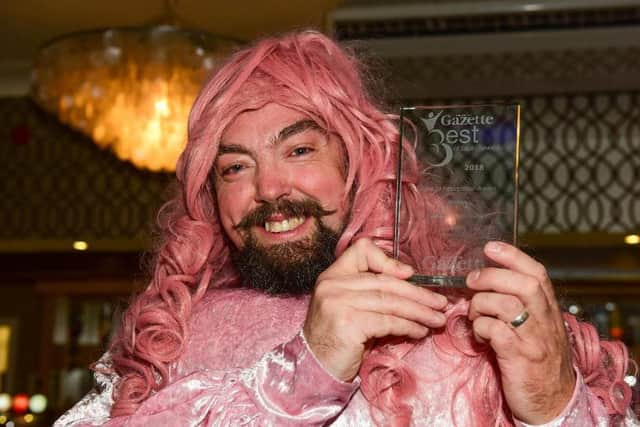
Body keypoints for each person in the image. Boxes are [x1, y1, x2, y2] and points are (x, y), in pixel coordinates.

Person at [55, 30, 637, 426]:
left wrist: (556, 404)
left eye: (300, 149)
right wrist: (306, 368)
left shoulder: (482, 318)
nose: (269, 189)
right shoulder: (179, 335)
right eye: (235, 166)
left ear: (359, 161)